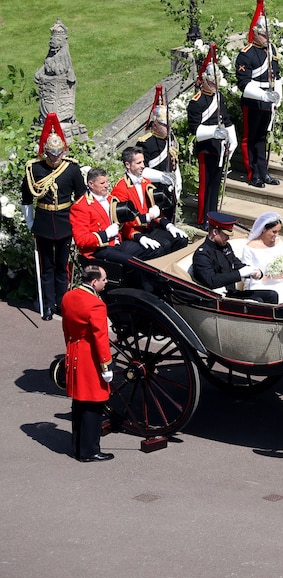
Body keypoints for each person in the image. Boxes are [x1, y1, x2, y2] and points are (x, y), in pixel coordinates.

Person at [20, 114, 86, 320]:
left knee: (63, 266)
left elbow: (82, 197)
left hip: (65, 221)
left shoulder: (71, 169)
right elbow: (26, 198)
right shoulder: (35, 169)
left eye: (58, 153)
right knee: (47, 267)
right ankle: (48, 305)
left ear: (63, 151)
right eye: (52, 153)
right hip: (44, 222)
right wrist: (30, 222)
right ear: (46, 151)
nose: (56, 157)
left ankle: (62, 302)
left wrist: (79, 222)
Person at [62, 265, 114, 462]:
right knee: (93, 406)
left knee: (79, 403)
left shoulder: (69, 296)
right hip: (90, 358)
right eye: (104, 279)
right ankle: (90, 451)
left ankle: (77, 447)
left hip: (74, 352)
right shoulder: (96, 305)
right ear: (94, 282)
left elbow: (66, 328)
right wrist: (106, 365)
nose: (105, 282)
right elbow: (100, 339)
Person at [111, 146, 187, 255]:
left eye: (143, 162)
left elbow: (156, 211)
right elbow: (124, 223)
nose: (143, 166)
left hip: (149, 229)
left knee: (181, 239)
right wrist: (148, 218)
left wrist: (169, 226)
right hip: (133, 233)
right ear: (128, 165)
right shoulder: (120, 188)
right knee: (162, 247)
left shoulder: (146, 182)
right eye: (138, 163)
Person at [70, 167, 156, 264]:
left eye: (107, 182)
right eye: (102, 183)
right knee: (134, 262)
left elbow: (126, 224)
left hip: (118, 243)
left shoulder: (112, 199)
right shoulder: (81, 206)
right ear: (91, 184)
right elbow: (81, 240)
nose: (106, 186)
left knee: (152, 251)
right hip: (99, 249)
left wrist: (140, 237)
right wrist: (105, 234)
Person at [187, 60, 236, 227]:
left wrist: (232, 139)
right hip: (206, 148)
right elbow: (195, 128)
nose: (215, 86)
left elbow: (226, 119)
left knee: (215, 184)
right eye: (211, 82)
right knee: (205, 185)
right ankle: (204, 218)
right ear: (205, 81)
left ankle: (213, 214)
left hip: (220, 147)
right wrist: (214, 131)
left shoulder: (219, 96)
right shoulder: (197, 102)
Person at [236, 10, 282, 187]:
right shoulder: (246, 54)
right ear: (255, 33)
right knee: (251, 138)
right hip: (253, 100)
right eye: (263, 35)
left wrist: (277, 97)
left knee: (262, 137)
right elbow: (244, 84)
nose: (266, 38)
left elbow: (276, 75)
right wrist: (264, 95)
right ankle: (252, 173)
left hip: (268, 100)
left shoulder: (271, 49)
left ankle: (264, 171)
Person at [190, 212, 279, 303]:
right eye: (226, 235)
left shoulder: (225, 246)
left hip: (231, 293)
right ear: (215, 232)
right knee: (257, 301)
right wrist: (239, 274)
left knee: (271, 295)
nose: (228, 238)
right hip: (217, 297)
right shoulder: (202, 254)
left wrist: (254, 272)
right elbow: (211, 280)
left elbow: (236, 264)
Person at [136, 104, 182, 218]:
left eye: (169, 125)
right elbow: (140, 170)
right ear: (155, 124)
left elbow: (174, 164)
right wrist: (161, 176)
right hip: (154, 190)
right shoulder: (146, 143)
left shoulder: (171, 140)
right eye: (165, 125)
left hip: (169, 189)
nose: (169, 128)